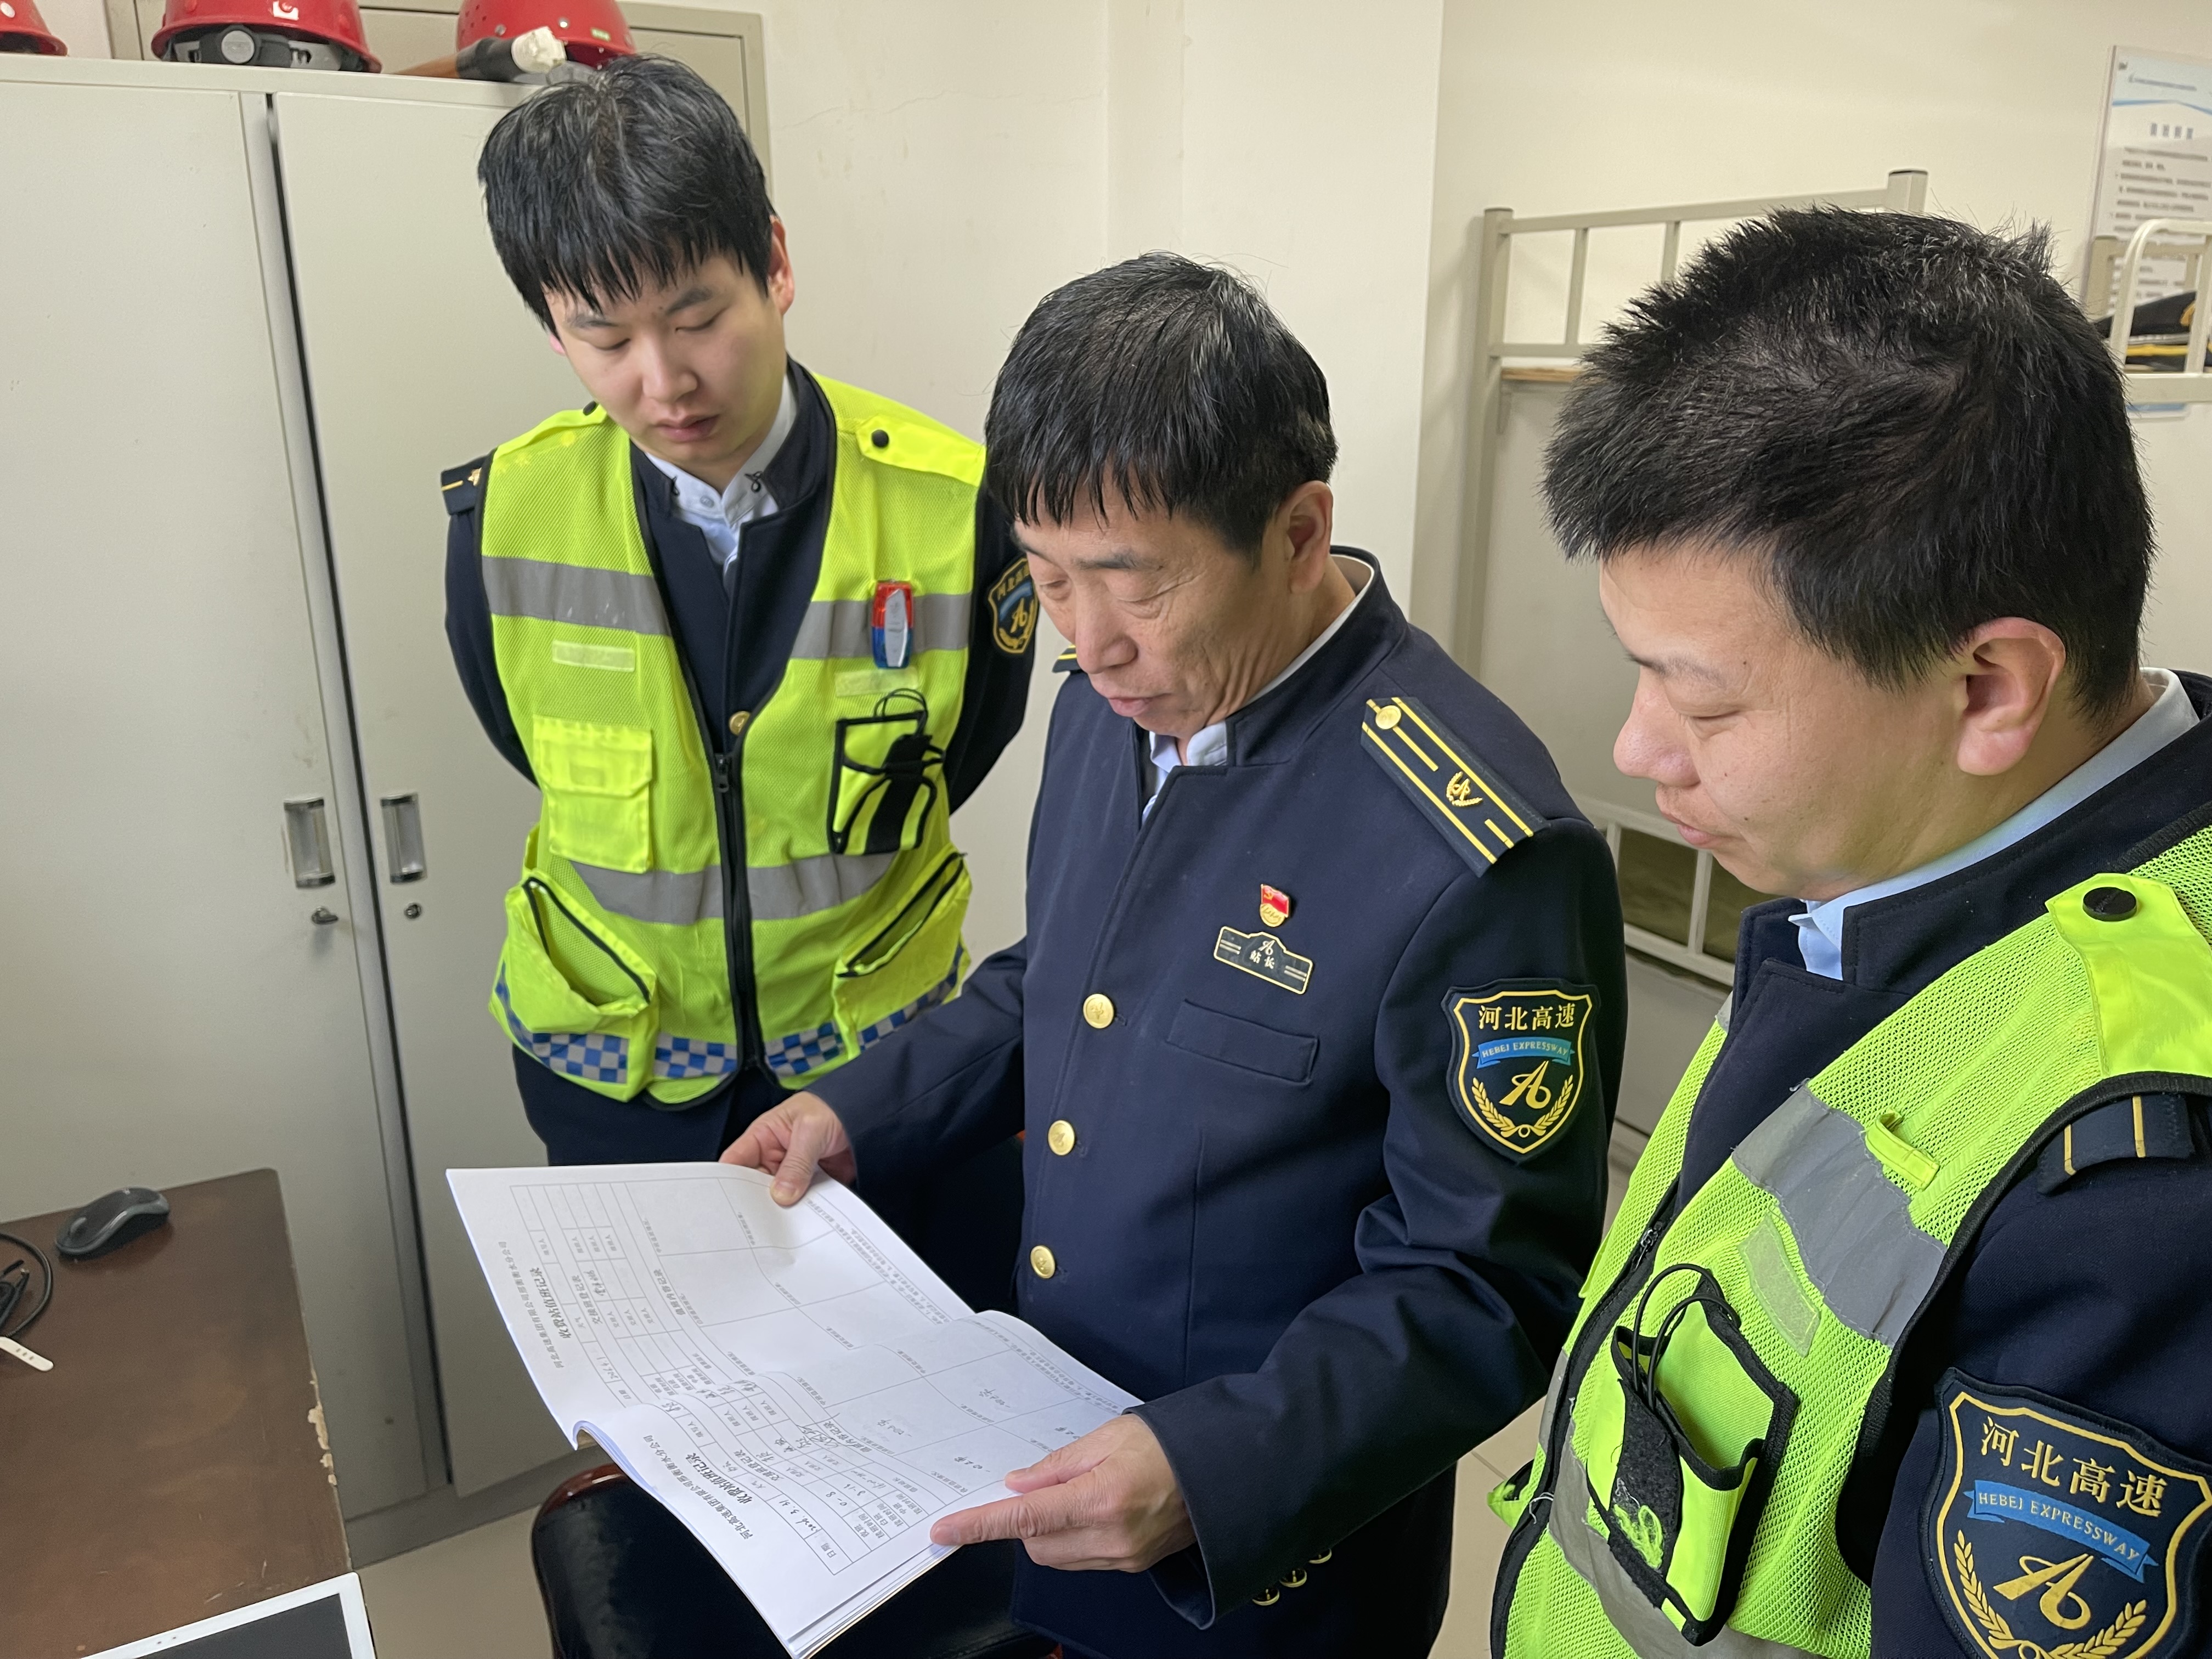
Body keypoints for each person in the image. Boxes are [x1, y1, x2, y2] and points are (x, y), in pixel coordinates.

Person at [718, 252, 1628, 1659]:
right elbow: (1070, 976)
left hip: (1268, 1548)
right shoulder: (1114, 704)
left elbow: (1486, 1282)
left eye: (1129, 583)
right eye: (1046, 580)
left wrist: (1219, 1468)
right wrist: (862, 1110)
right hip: (1051, 1440)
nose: (1087, 644)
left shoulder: (1475, 845)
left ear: (1298, 530)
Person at [1489, 209, 2212, 1658]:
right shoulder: (1896, 864)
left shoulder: (2139, 1183)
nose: (1640, 748)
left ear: (1988, 687)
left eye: (1703, 701)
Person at [440, 56, 1037, 1278]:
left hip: (876, 1074)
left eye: (697, 316)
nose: (663, 382)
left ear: (774, 261)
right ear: (552, 323)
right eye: (603, 336)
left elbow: (969, 743)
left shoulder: (955, 508)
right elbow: (519, 737)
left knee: (904, 1377)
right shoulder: (503, 516)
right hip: (617, 1083)